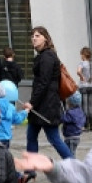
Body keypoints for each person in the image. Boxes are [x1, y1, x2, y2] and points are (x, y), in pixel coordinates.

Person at [23, 26, 74, 162]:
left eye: (38, 35)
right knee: (31, 136)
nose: (34, 38)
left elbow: (43, 82)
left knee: (54, 138)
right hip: (41, 105)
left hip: (47, 105)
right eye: (33, 35)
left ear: (46, 38)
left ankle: (74, 165)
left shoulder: (47, 56)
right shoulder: (44, 56)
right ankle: (30, 170)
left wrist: (32, 103)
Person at [0, 81, 27, 149]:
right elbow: (17, 120)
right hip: (5, 138)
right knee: (4, 156)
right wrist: (25, 112)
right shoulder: (10, 106)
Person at [77, 47, 92, 131]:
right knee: (90, 106)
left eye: (81, 54)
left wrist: (81, 77)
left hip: (83, 86)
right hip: (91, 86)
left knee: (84, 106)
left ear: (84, 55)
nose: (80, 56)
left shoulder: (82, 63)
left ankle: (85, 125)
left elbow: (78, 71)